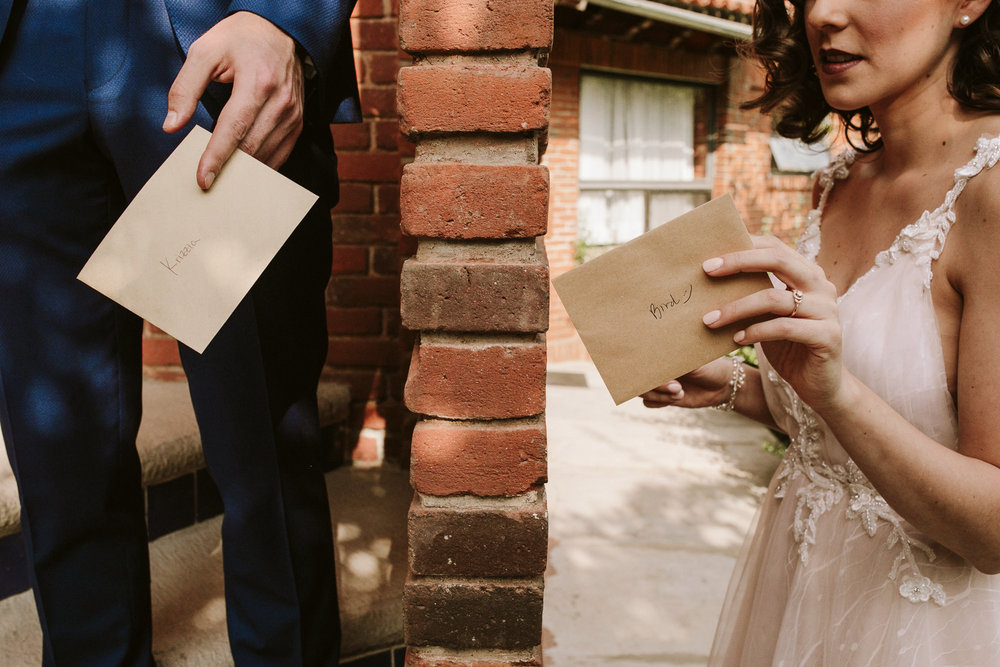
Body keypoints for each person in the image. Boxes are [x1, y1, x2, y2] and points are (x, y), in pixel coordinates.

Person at [0, 0, 359, 664]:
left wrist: (285, 19)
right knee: (58, 458)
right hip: (18, 54)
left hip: (206, 34)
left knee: (260, 442)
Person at [642, 0, 1000, 663]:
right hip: (795, 596)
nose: (824, 14)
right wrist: (737, 383)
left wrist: (837, 392)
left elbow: (994, 534)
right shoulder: (838, 181)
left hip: (918, 632)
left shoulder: (992, 198)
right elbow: (832, 430)